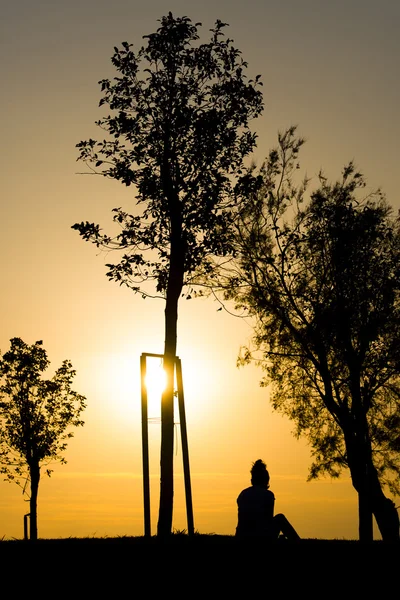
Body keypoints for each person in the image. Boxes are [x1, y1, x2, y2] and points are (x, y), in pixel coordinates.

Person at [235, 459, 300, 541]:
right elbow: (268, 520)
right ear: (266, 480)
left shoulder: (243, 494)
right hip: (260, 537)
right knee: (280, 518)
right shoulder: (268, 495)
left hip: (242, 536)